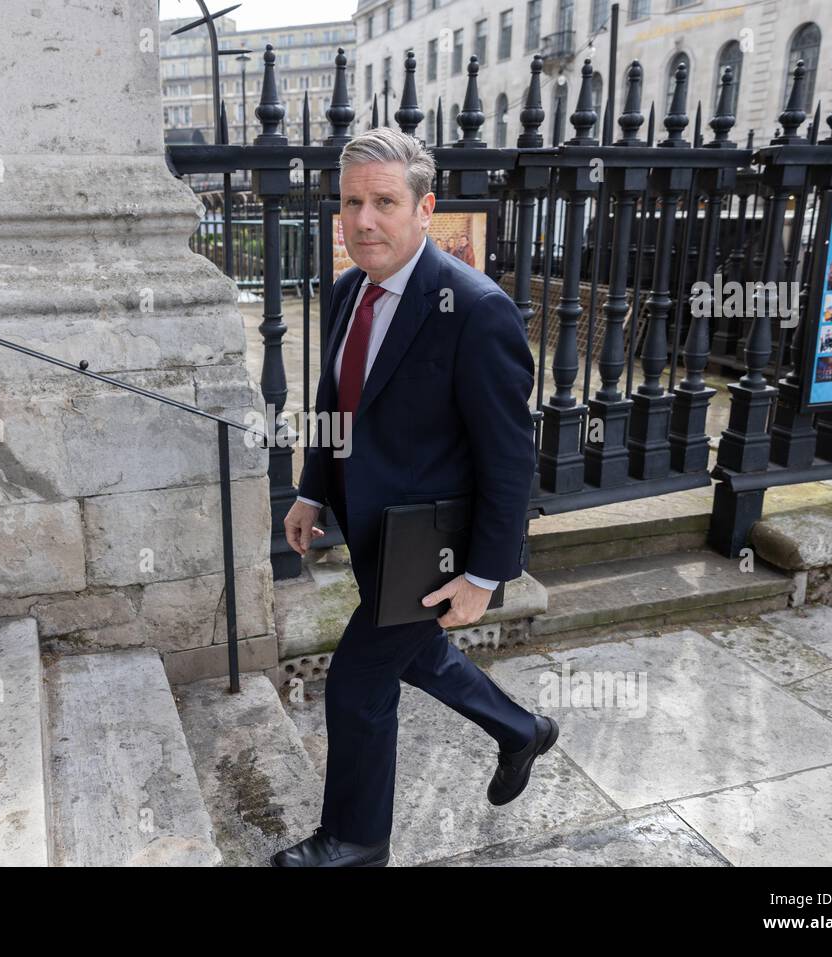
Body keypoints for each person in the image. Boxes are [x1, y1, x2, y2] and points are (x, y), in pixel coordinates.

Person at [273, 128, 556, 867]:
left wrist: (487, 574)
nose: (364, 220)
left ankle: (357, 840)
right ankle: (521, 730)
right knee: (420, 655)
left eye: (385, 202)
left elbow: (508, 456)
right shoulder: (346, 292)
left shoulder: (476, 309)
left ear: (425, 207)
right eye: (351, 202)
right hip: (372, 532)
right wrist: (312, 491)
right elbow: (336, 403)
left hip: (432, 545)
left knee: (358, 680)